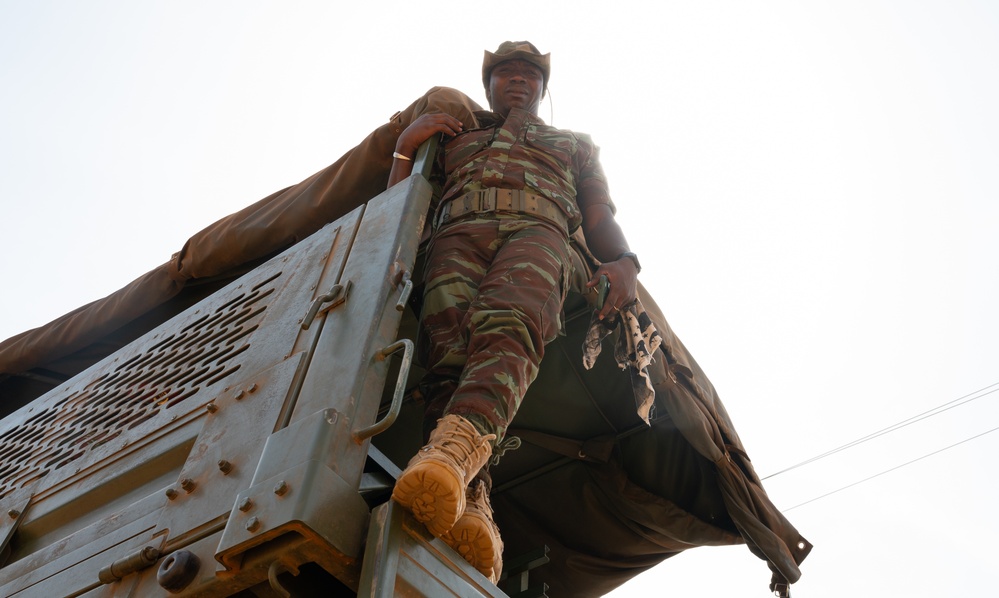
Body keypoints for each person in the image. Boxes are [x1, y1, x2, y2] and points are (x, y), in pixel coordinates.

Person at [387, 41, 641, 583]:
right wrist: (406, 148)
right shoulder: (456, 136)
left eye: (529, 74)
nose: (518, 81)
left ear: (543, 88)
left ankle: (454, 457)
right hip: (454, 236)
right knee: (446, 365)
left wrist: (624, 262)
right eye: (505, 74)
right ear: (489, 87)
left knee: (510, 323)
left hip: (540, 232)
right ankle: (474, 500)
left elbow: (597, 215)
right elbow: (401, 203)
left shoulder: (573, 144)